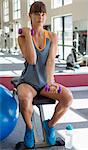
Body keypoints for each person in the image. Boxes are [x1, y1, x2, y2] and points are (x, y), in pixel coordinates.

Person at [17, 1, 73, 148]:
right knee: (23, 98)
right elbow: (32, 59)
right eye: (36, 13)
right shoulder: (22, 37)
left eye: (42, 14)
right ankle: (29, 129)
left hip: (45, 82)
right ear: (30, 15)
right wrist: (28, 35)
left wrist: (50, 82)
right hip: (28, 82)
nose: (40, 16)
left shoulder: (52, 37)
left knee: (67, 98)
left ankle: (49, 125)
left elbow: (50, 61)